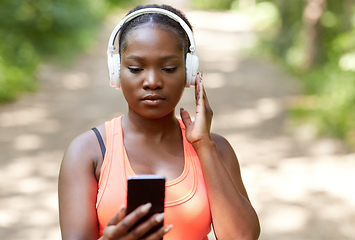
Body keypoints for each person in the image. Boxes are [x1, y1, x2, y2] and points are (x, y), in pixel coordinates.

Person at [58, 4, 260, 240]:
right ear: (116, 72)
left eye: (168, 68)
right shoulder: (87, 152)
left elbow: (243, 237)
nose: (152, 81)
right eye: (136, 68)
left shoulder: (217, 150)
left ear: (189, 71)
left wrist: (204, 146)